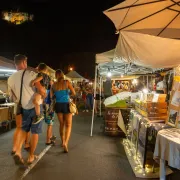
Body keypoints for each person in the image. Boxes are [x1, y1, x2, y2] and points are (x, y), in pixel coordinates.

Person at [8, 54, 44, 165]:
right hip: (35, 107)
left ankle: (18, 151)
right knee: (35, 132)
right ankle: (31, 156)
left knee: (24, 129)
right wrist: (42, 94)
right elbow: (42, 91)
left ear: (15, 63)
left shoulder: (10, 79)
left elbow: (12, 98)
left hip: (23, 108)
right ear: (24, 62)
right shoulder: (31, 74)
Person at [51, 69, 76, 153]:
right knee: (68, 125)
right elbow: (74, 93)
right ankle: (66, 143)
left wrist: (57, 95)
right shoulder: (67, 82)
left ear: (56, 75)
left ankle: (62, 141)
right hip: (66, 104)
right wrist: (68, 94)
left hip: (58, 105)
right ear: (62, 75)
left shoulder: (54, 85)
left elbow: (51, 96)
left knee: (61, 124)